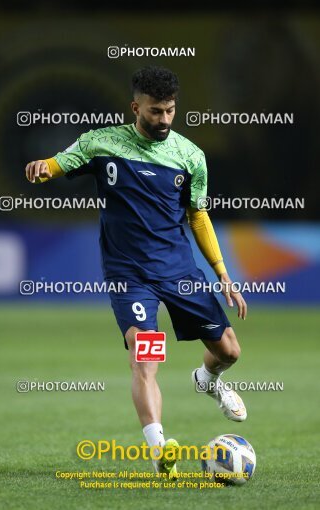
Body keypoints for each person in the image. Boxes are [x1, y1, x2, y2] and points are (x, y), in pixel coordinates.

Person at [25, 66, 247, 479]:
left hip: (178, 269)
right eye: (156, 111)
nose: (164, 119)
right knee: (145, 357)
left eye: (170, 111)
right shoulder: (102, 142)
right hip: (129, 274)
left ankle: (208, 380)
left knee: (229, 351)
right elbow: (62, 161)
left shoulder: (189, 156)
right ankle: (159, 449)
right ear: (136, 107)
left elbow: (198, 216)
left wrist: (222, 274)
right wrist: (46, 167)